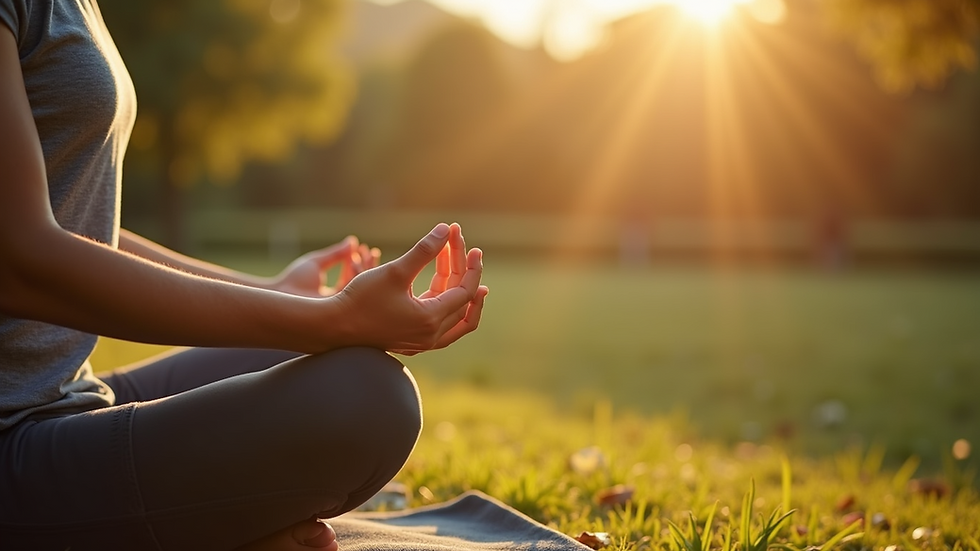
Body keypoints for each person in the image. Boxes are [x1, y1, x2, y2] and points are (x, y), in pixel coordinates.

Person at [0, 1, 489, 550]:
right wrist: (334, 319)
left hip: (72, 393)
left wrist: (277, 295)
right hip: (10, 441)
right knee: (368, 400)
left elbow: (78, 223)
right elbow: (21, 262)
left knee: (321, 362)